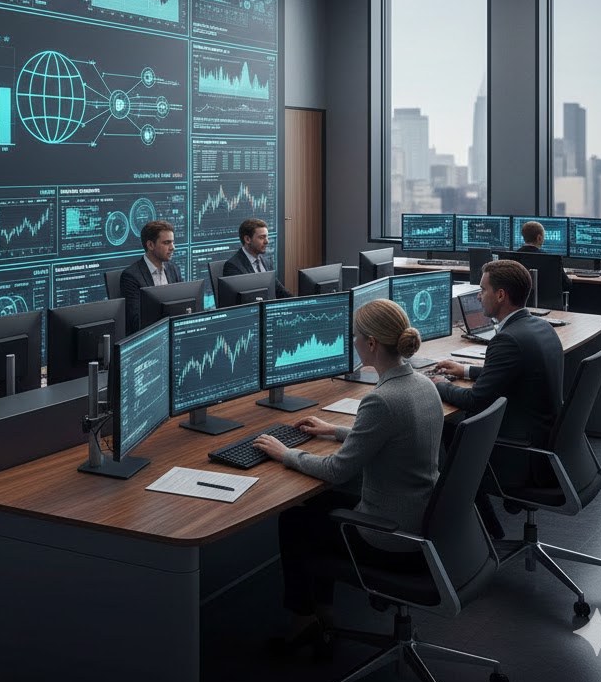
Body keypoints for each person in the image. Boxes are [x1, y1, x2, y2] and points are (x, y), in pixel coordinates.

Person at [254, 299, 443, 648]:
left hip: (390, 537)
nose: (351, 341)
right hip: (422, 520)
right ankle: (322, 609)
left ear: (371, 344)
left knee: (295, 521)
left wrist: (287, 454)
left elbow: (337, 470)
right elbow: (390, 434)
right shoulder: (422, 384)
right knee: (322, 505)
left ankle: (303, 617)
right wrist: (334, 431)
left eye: (355, 336)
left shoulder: (382, 399)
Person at [432, 258, 563, 489]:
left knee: (447, 426)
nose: (479, 296)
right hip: (543, 438)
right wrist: (465, 370)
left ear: (501, 295)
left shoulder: (507, 339)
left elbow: (475, 400)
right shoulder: (540, 326)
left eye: (483, 290)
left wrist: (438, 384)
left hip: (520, 453)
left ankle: (458, 504)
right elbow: (515, 373)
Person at [120, 220, 183, 333]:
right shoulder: (131, 276)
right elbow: (136, 321)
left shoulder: (174, 269)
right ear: (150, 245)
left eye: (172, 242)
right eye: (166, 243)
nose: (173, 247)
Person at [222, 217, 292, 298]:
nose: (267, 241)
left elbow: (280, 290)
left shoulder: (267, 262)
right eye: (262, 237)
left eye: (267, 237)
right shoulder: (233, 266)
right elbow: (241, 301)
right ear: (247, 239)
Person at [518, 220, 572, 295]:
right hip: (547, 305)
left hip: (521, 303)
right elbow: (566, 285)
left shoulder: (511, 257)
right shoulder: (552, 260)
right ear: (539, 238)